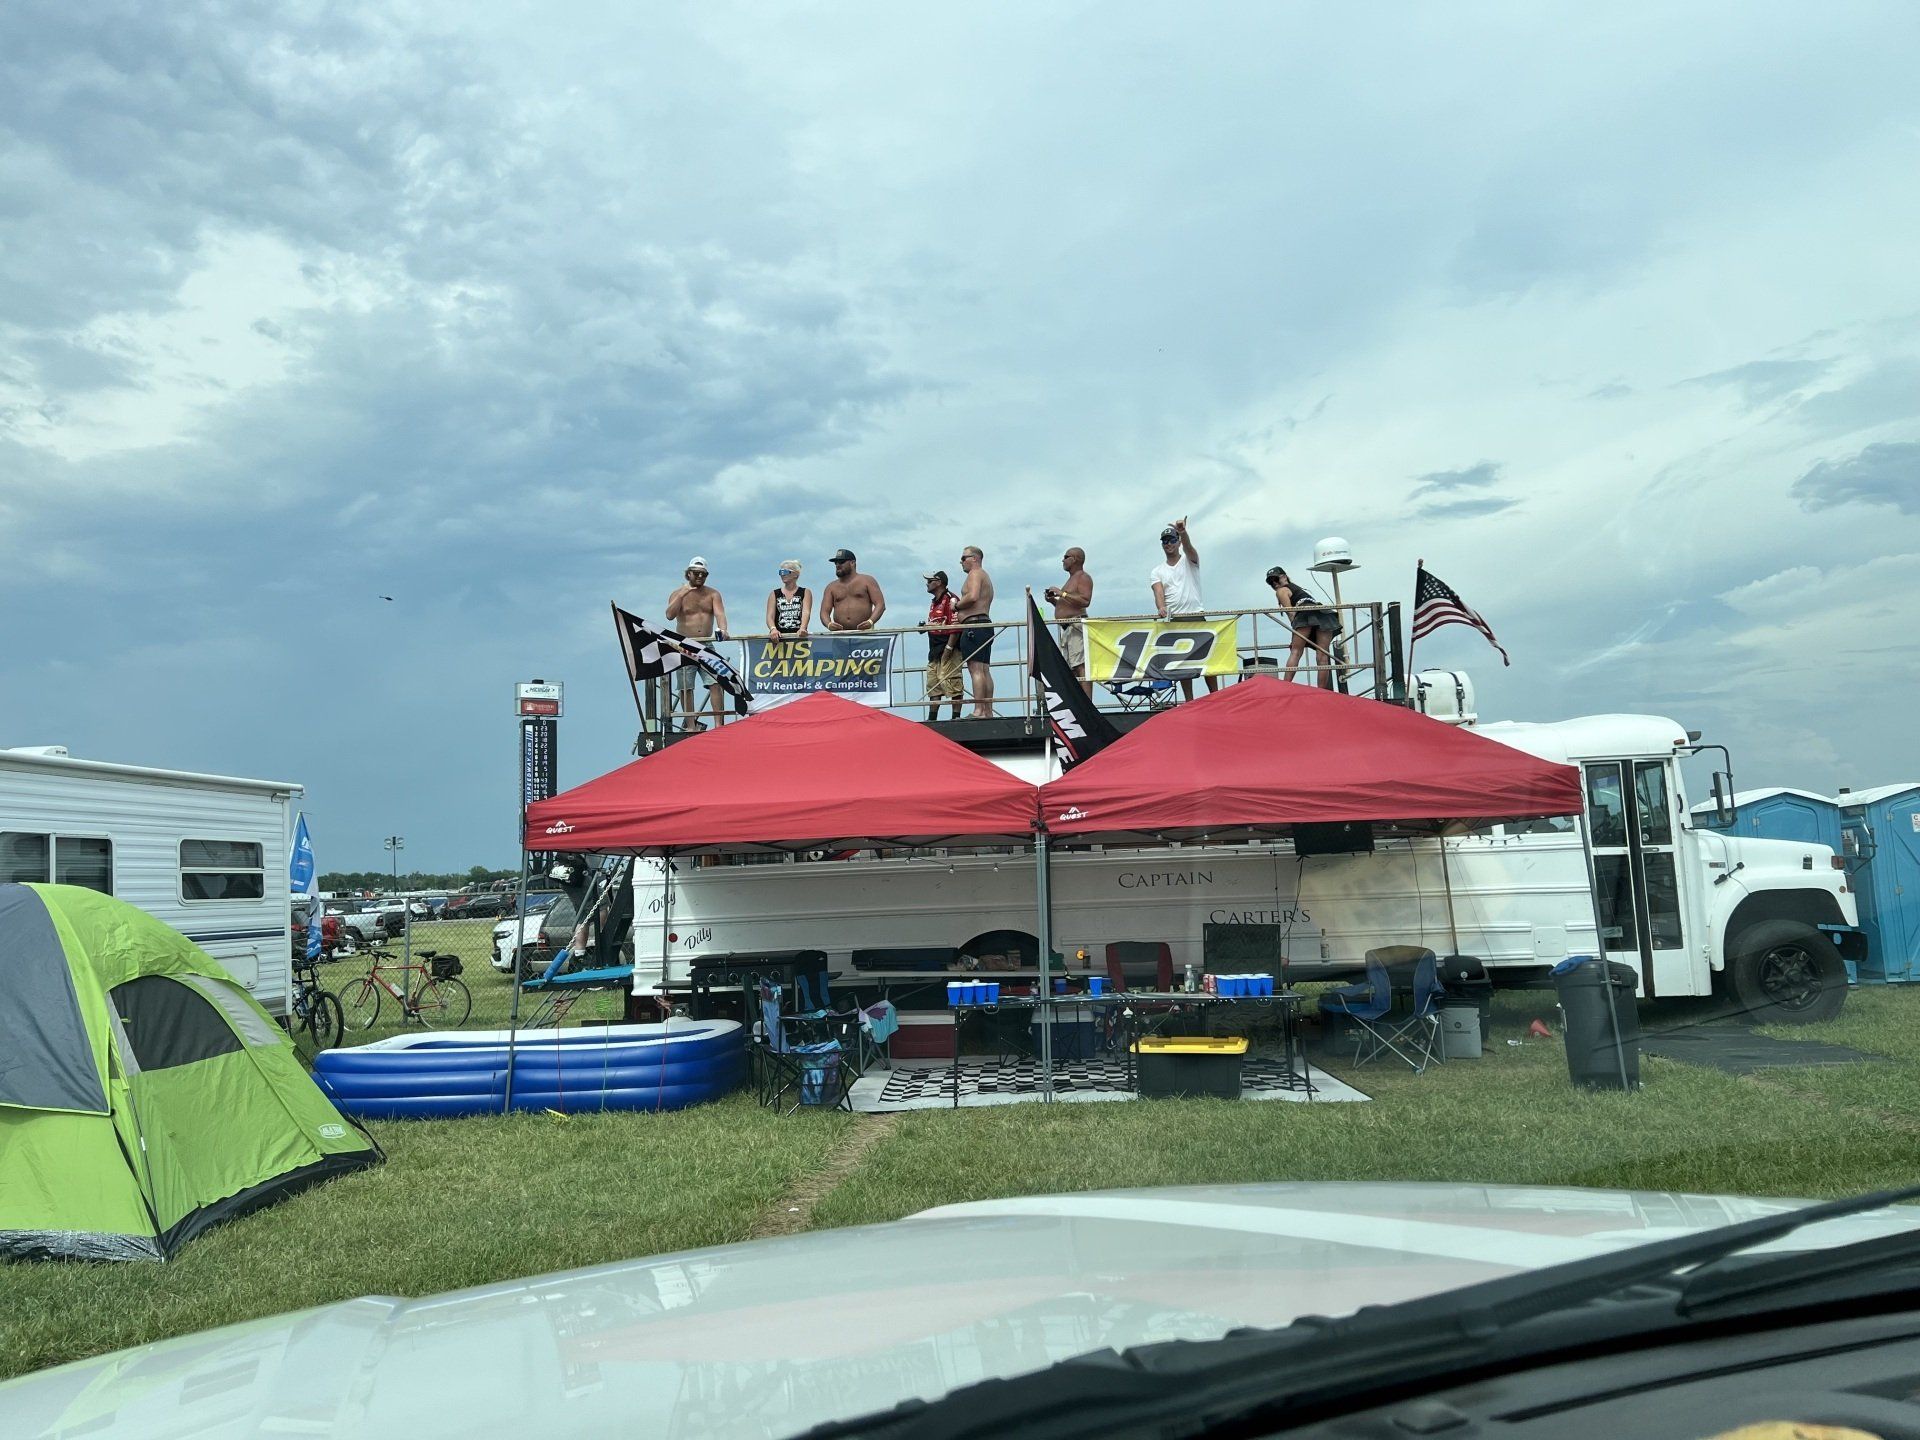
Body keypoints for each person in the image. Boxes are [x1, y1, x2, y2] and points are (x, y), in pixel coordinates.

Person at [1150, 518, 1216, 700]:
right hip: (1175, 620)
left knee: (1208, 659)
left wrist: (1183, 532)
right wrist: (1161, 607)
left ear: (1178, 542)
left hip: (1196, 615)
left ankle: (1215, 695)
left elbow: (1189, 548)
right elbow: (1158, 592)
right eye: (1165, 541)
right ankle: (1189, 700)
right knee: (1182, 662)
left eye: (1172, 540)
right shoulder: (1157, 571)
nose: (1168, 544)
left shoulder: (1190, 560)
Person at [665, 556, 729, 728]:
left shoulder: (712, 594)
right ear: (688, 574)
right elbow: (669, 615)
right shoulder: (677, 594)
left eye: (703, 574)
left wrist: (723, 629)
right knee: (686, 686)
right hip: (685, 644)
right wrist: (682, 593)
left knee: (716, 681)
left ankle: (718, 724)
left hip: (706, 644)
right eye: (696, 573)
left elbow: (720, 614)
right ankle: (691, 725)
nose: (700, 576)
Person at [1266, 564, 1341, 689]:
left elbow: (1291, 613)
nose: (1274, 583)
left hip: (1305, 614)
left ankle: (1285, 686)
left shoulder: (1281, 591)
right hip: (1324, 613)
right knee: (1323, 655)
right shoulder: (1297, 589)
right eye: (1270, 582)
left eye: (1275, 579)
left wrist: (1294, 635)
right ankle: (1322, 691)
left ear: (1284, 577)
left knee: (1296, 652)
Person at [1043, 546, 1094, 694]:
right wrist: (1053, 601)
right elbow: (1068, 605)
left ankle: (1087, 703)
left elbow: (1085, 600)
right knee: (1071, 669)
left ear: (1075, 559)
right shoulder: (1071, 579)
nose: (1063, 560)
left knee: (1080, 666)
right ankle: (1077, 701)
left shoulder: (1083, 577)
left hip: (1076, 626)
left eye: (1066, 557)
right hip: (1067, 629)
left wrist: (1062, 594)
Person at [955, 544, 996, 718]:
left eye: (963, 558)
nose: (961, 562)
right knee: (984, 669)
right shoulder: (984, 575)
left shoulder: (975, 573)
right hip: (983, 625)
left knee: (976, 670)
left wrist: (956, 606)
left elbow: (972, 596)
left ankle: (979, 710)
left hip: (974, 625)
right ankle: (987, 711)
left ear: (974, 558)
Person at [922, 570, 962, 721]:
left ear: (939, 582)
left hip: (948, 648)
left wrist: (949, 649)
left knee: (953, 682)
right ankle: (932, 719)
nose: (927, 584)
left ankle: (956, 717)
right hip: (933, 649)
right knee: (933, 685)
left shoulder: (951, 599)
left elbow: (956, 626)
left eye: (930, 581)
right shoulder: (934, 602)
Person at [819, 548, 886, 631]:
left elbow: (880, 604)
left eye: (841, 562)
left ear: (852, 563)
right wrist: (829, 624)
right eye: (836, 563)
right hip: (841, 635)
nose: (838, 565)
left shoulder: (867, 581)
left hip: (864, 634)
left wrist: (870, 621)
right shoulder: (831, 587)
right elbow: (824, 612)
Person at [765, 560, 810, 637]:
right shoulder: (774, 594)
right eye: (781, 572)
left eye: (785, 572)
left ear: (796, 574)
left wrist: (803, 627)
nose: (783, 574)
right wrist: (773, 629)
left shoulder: (805, 592)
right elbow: (770, 616)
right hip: (778, 637)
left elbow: (806, 612)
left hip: (798, 636)